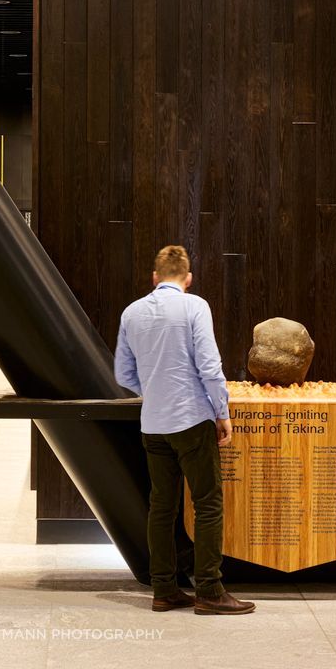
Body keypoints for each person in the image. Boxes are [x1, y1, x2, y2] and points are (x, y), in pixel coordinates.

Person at [114, 244, 256, 616]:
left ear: (155, 277)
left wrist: (153, 389)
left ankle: (164, 590)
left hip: (153, 424)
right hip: (192, 420)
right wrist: (222, 412)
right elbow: (209, 364)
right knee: (207, 503)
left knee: (162, 507)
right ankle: (209, 590)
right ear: (188, 279)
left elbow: (122, 373)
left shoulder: (131, 312)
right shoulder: (195, 306)